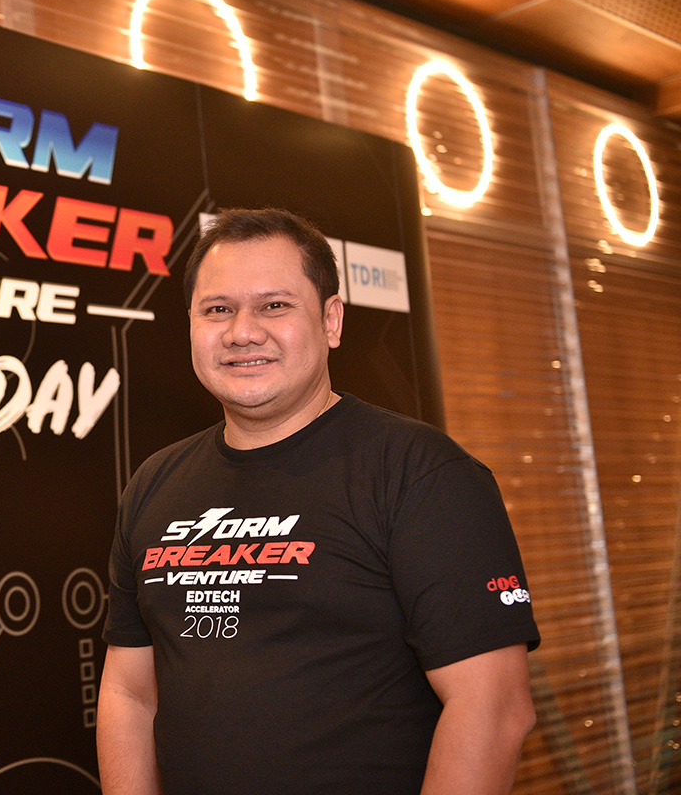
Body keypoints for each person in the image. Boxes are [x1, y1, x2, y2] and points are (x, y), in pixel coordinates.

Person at [97, 207, 539, 794]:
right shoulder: (154, 485)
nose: (242, 331)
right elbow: (129, 693)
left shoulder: (422, 474)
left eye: (274, 305)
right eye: (217, 309)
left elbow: (494, 707)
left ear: (331, 320)